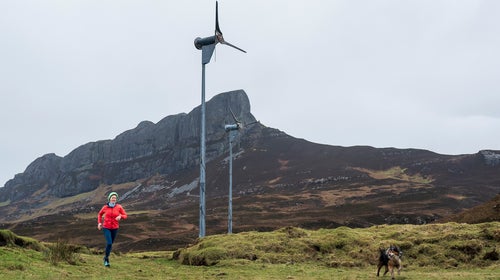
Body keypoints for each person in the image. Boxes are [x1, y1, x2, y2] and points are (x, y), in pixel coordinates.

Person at [97, 191, 128, 267]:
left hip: (115, 228)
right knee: (109, 243)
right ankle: (106, 259)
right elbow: (100, 214)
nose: (114, 199)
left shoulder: (119, 207)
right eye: (112, 197)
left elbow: (125, 215)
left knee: (110, 245)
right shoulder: (105, 207)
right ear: (109, 199)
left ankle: (105, 257)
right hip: (106, 227)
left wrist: (120, 216)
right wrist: (99, 223)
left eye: (115, 198)